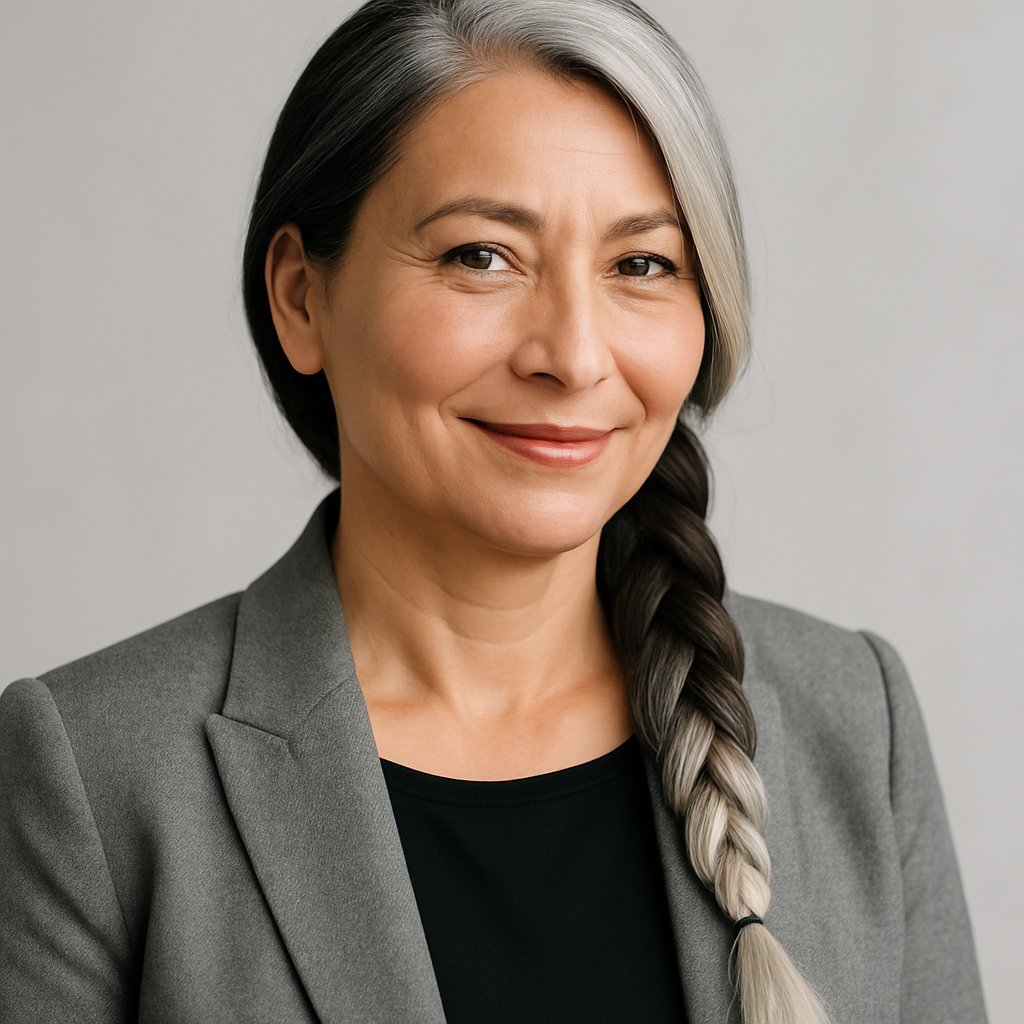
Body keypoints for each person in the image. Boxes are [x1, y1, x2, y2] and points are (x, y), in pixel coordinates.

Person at [0, 1, 987, 1022]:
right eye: (481, 255)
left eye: (640, 264)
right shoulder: (95, 771)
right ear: (301, 297)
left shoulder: (851, 721)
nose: (571, 354)